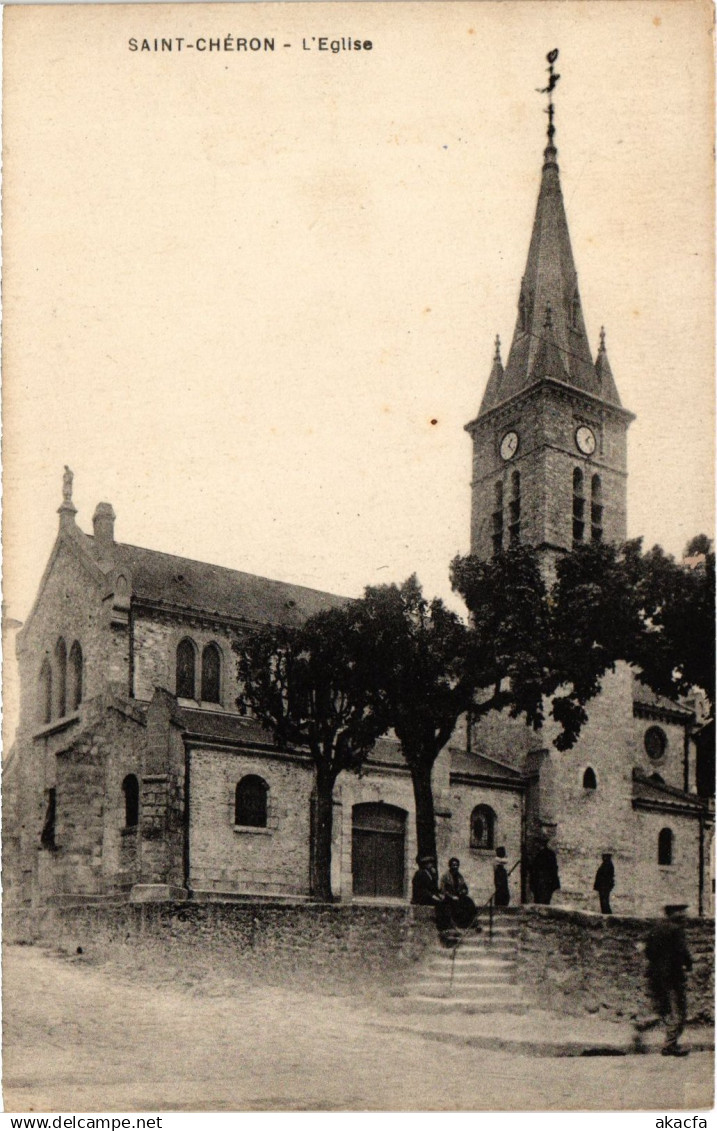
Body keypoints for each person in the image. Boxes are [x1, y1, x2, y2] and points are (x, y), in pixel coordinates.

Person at [637, 903, 693, 1056]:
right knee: (679, 1011)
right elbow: (682, 951)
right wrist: (688, 964)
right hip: (673, 975)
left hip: (656, 974)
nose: (684, 914)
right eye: (680, 911)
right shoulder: (676, 930)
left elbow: (647, 950)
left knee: (665, 1009)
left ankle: (646, 1026)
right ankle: (670, 1045)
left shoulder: (656, 927)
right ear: (672, 913)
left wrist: (657, 964)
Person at [529, 835, 560, 905]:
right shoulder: (549, 854)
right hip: (545, 883)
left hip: (542, 883)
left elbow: (552, 869)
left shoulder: (540, 855)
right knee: (544, 901)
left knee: (541, 901)